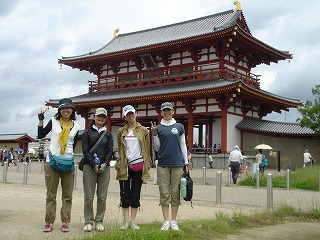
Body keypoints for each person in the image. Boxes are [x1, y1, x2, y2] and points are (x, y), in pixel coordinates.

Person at [37, 98, 80, 233]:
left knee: (67, 195)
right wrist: (41, 119)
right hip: (53, 162)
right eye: (62, 108)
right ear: (59, 110)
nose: (65, 110)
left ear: (72, 110)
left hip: (68, 162)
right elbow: (41, 135)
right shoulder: (53, 122)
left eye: (68, 108)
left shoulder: (77, 127)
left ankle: (65, 222)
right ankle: (49, 221)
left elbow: (72, 146)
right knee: (51, 194)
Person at [150, 102, 189, 231]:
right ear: (161, 112)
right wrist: (155, 134)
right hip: (163, 164)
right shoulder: (159, 128)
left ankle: (174, 221)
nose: (167, 113)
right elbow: (157, 148)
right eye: (164, 110)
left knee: (175, 192)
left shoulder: (179, 127)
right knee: (164, 192)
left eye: (169, 110)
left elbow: (183, 145)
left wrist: (186, 162)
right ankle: (166, 220)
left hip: (177, 163)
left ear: (173, 111)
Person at [115, 105, 151, 230]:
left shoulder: (143, 130)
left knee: (136, 193)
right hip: (125, 166)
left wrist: (147, 164)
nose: (131, 116)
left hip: (139, 165)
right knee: (124, 193)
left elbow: (147, 147)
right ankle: (126, 221)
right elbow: (120, 148)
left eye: (132, 113)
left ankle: (133, 221)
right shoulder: (121, 131)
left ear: (136, 113)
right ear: (124, 116)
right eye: (128, 114)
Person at [82, 108, 113, 232]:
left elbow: (110, 151)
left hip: (104, 168)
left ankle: (99, 221)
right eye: (99, 116)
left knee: (102, 196)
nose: (101, 118)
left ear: (106, 119)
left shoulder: (108, 134)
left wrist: (105, 164)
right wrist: (93, 164)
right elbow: (85, 151)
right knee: (89, 196)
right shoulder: (87, 133)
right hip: (89, 166)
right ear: (94, 117)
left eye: (103, 117)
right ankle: (88, 221)